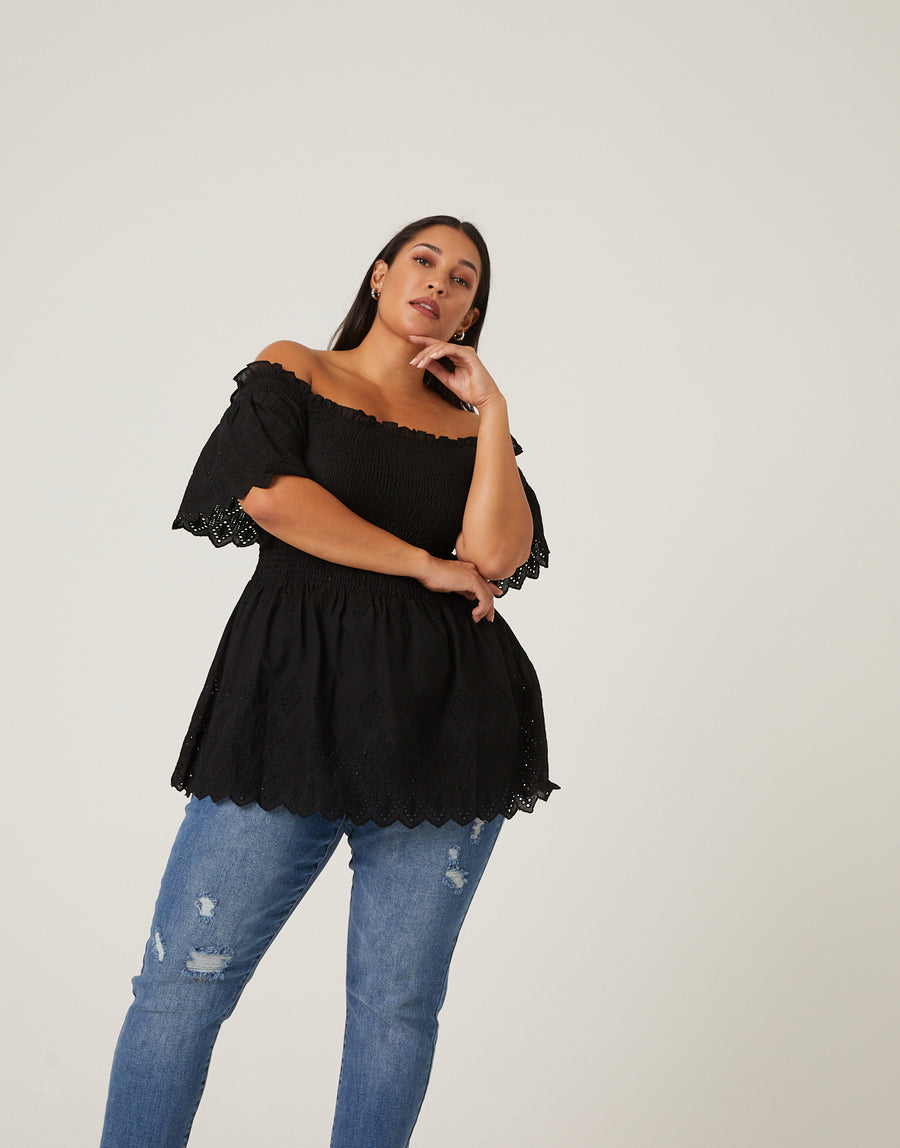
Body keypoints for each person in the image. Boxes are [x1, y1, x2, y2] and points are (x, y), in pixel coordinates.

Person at [100, 214, 556, 1147]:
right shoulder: (297, 370)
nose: (440, 284)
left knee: (398, 1009)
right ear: (381, 275)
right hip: (287, 717)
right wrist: (421, 565)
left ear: (472, 313)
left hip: (447, 734)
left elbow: (495, 555)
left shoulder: (471, 429)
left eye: (464, 280)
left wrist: (495, 414)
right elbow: (271, 494)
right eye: (424, 261)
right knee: (181, 983)